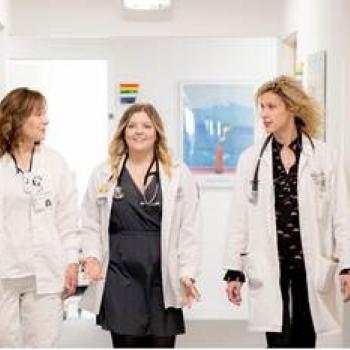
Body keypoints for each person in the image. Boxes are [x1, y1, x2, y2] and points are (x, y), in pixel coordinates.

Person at [223, 75, 350, 348]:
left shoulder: (326, 156)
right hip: (270, 261)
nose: (264, 114)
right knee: (277, 338)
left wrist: (347, 264)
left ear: (291, 108)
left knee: (306, 336)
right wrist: (234, 270)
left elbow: (342, 216)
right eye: (262, 107)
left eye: (271, 107)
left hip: (310, 261)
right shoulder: (251, 159)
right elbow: (239, 219)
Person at [79, 103, 201, 348]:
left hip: (161, 272)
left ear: (157, 131)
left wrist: (187, 272)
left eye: (146, 125)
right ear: (123, 131)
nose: (139, 131)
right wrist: (92, 256)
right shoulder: (104, 174)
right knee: (126, 341)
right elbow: (91, 222)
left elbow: (189, 229)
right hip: (119, 271)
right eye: (132, 125)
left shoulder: (177, 174)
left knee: (161, 342)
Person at [0, 87, 80, 347]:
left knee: (44, 343)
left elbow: (67, 220)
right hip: (4, 272)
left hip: (45, 270)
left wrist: (71, 262)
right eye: (38, 114)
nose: (46, 120)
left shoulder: (54, 163)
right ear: (16, 117)